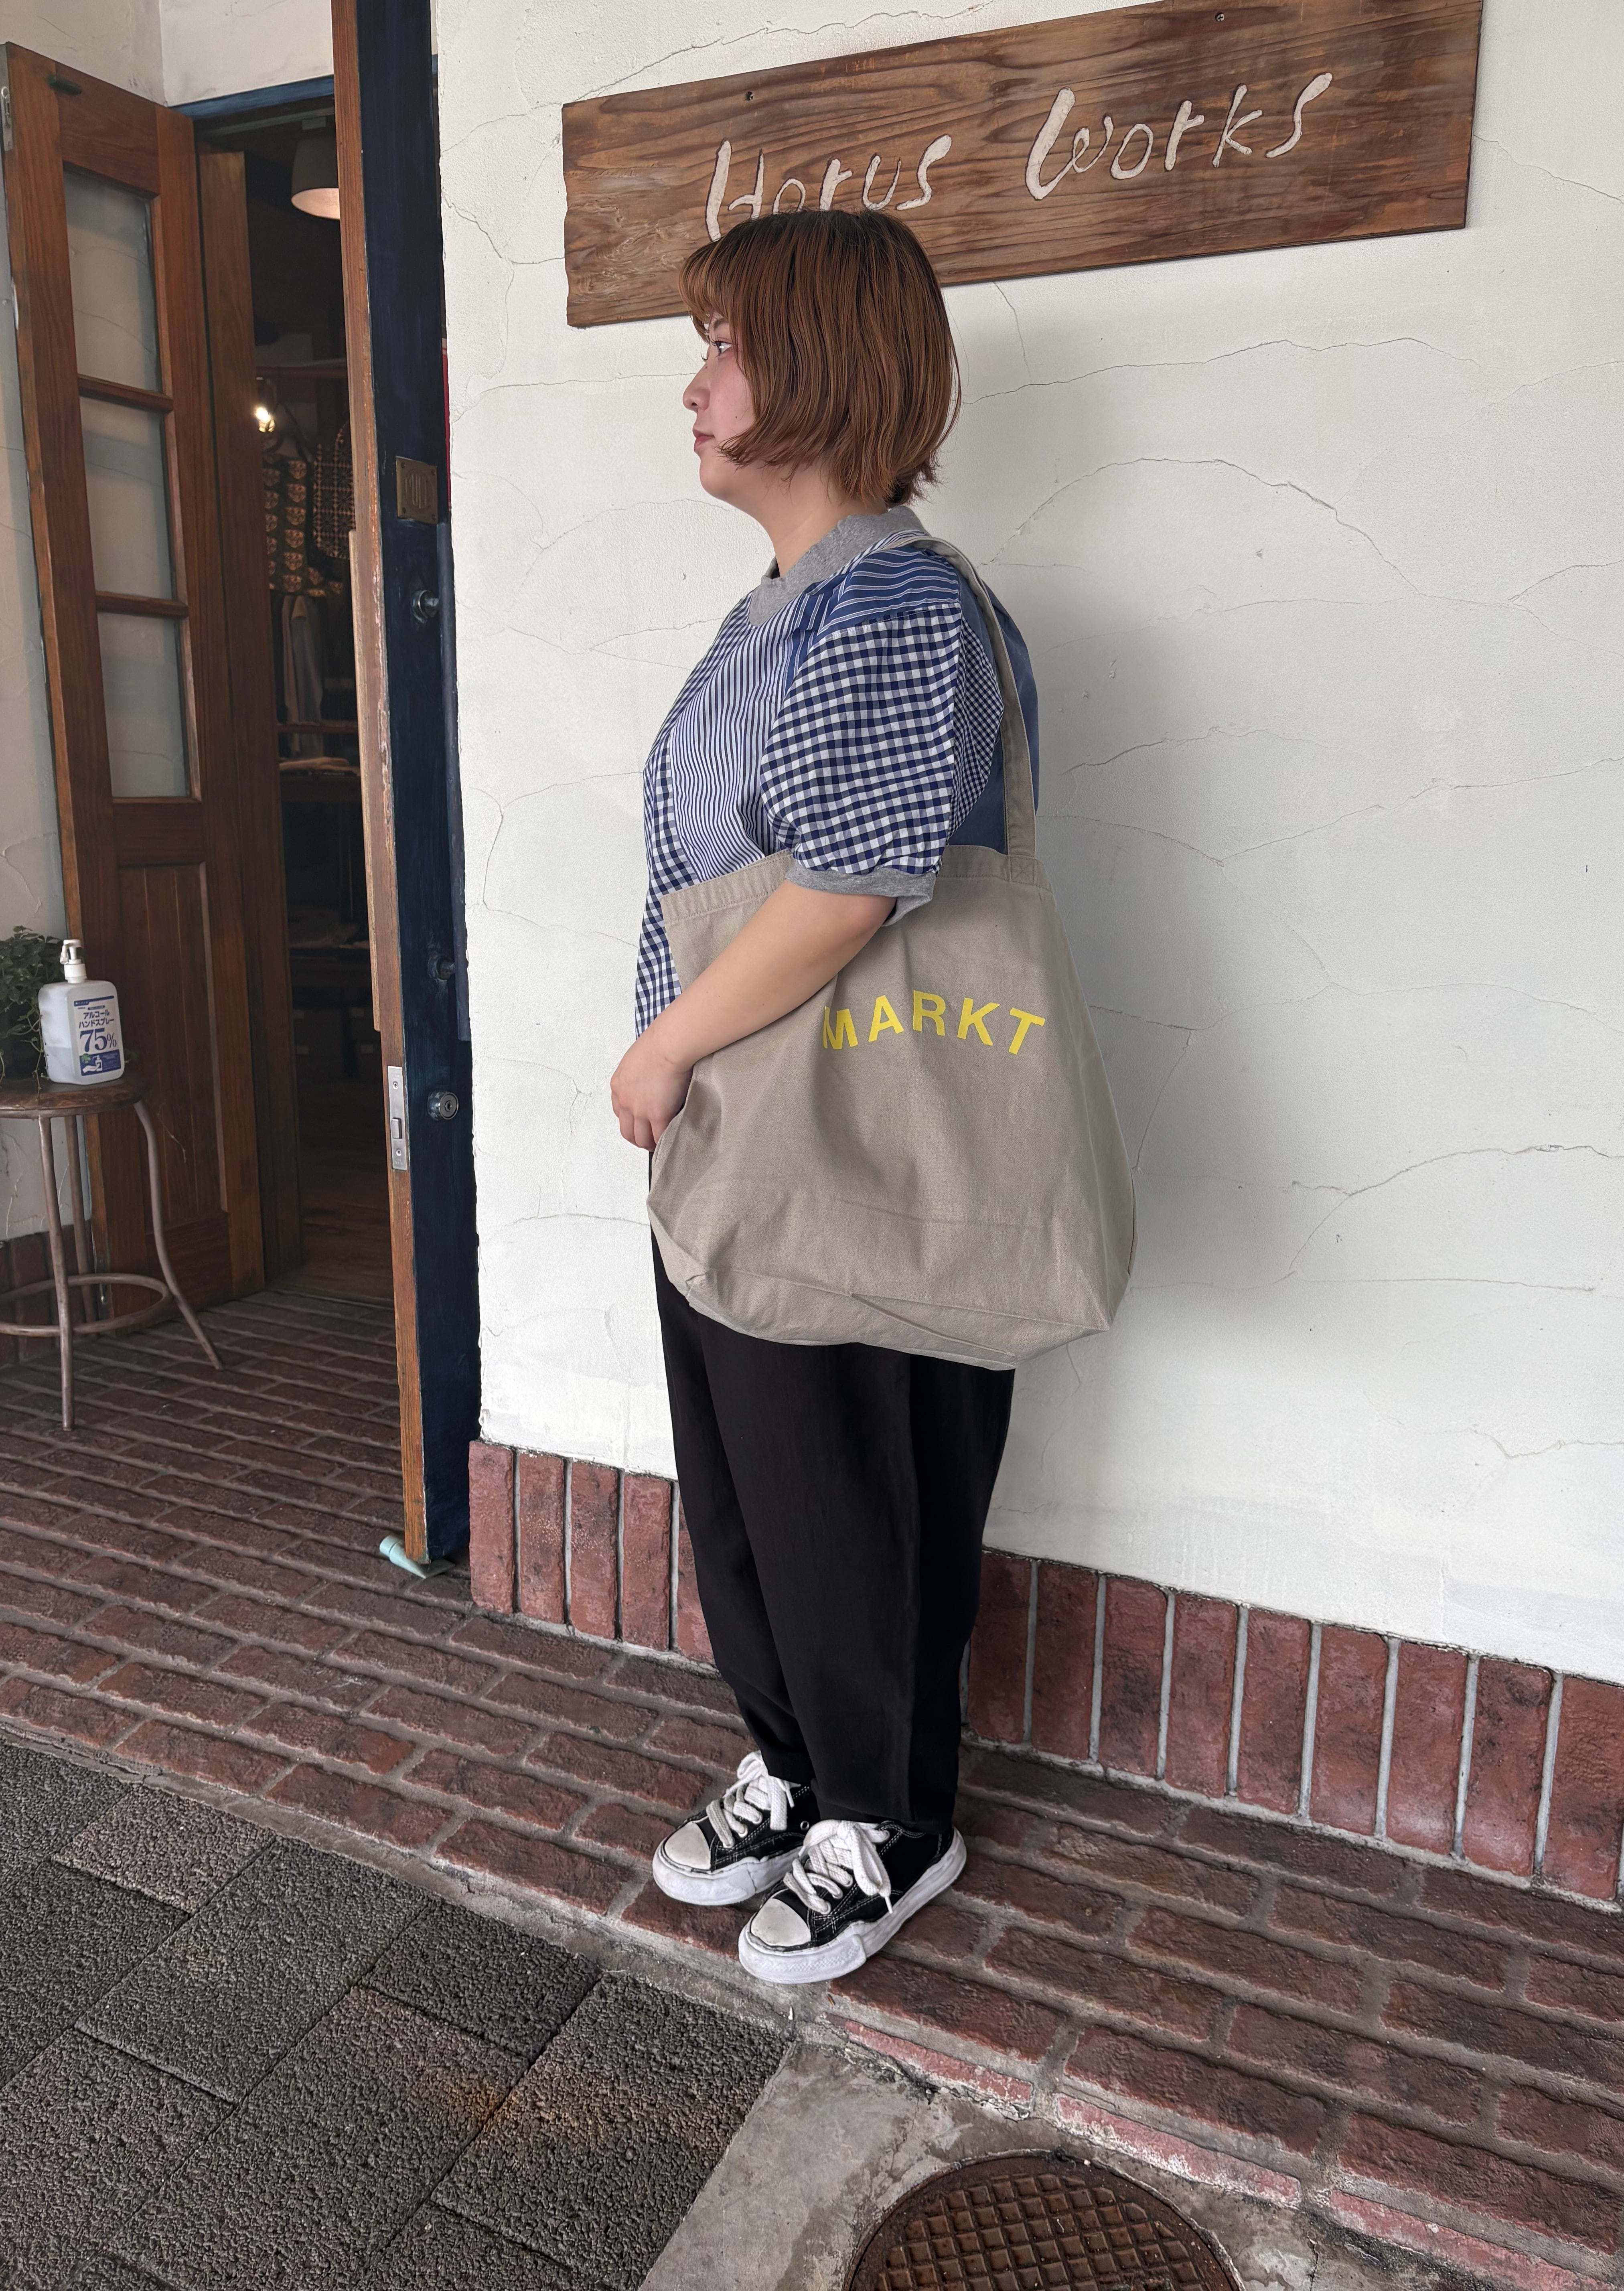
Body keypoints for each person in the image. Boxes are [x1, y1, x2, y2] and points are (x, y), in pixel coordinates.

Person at [609, 208, 1040, 1986]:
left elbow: (848, 887)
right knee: (756, 1481)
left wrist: (662, 1049)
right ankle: (795, 1762)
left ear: (820, 371)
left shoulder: (896, 605)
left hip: (845, 1129)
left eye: (723, 347)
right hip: (747, 1127)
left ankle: (891, 1811)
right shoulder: (781, 608)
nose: (694, 386)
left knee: (852, 1475)